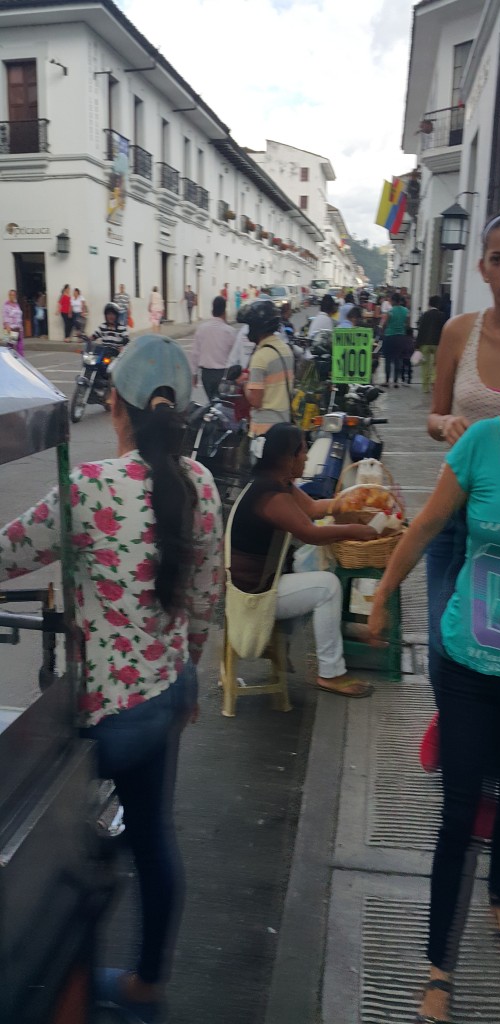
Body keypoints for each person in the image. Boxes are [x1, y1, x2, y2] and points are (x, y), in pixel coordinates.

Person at [0, 333, 222, 1023]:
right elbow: (205, 600)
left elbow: (7, 554)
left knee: (65, 858)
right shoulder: (202, 483)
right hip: (168, 694)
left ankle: (74, 992)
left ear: (116, 410)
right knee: (153, 835)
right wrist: (183, 669)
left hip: (113, 715)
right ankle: (147, 985)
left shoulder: (89, 490)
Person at [368, 295, 500, 1024]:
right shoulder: (482, 444)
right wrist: (382, 595)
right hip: (466, 663)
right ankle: (437, 963)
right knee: (460, 812)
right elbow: (425, 526)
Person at [422, 207, 500, 773]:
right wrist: (445, 426)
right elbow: (435, 414)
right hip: (457, 513)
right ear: (482, 268)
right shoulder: (457, 333)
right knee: (446, 642)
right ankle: (457, 734)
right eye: (498, 259)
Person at [231, 422, 376, 697]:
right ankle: (330, 673)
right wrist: (356, 530)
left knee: (315, 574)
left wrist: (345, 504)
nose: (307, 456)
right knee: (327, 586)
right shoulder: (271, 496)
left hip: (259, 583)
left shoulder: (274, 483)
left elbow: (312, 508)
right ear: (288, 457)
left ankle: (302, 648)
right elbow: (310, 533)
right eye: (303, 451)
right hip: (254, 596)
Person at [240, 300, 294, 443]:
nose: (248, 331)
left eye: (250, 326)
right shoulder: (285, 349)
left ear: (258, 327)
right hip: (284, 426)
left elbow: (256, 401)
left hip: (264, 432)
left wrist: (244, 382)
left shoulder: (260, 357)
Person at [188, 295, 236, 401]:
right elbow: (234, 355)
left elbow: (195, 353)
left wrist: (194, 374)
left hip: (206, 375)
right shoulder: (229, 331)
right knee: (223, 404)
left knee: (211, 402)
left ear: (212, 310)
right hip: (223, 374)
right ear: (224, 311)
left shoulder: (202, 329)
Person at [417, 296, 446, 394]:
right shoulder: (442, 315)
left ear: (429, 304)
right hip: (437, 343)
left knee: (425, 365)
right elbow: (444, 330)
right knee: (436, 364)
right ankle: (434, 382)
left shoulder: (425, 315)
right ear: (438, 304)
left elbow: (420, 330)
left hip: (424, 343)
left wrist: (417, 345)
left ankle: (425, 387)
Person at [381, 293, 409, 387]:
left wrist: (382, 331)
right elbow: (407, 324)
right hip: (401, 337)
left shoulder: (390, 311)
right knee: (398, 359)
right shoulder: (406, 311)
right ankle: (396, 381)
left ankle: (387, 381)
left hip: (390, 336)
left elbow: (385, 324)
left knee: (388, 360)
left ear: (392, 301)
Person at [3, 288, 24, 356]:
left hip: (18, 327)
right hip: (11, 328)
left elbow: (19, 315)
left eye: (14, 295)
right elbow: (5, 316)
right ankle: (9, 360)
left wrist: (21, 327)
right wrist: (7, 326)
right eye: (11, 295)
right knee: (10, 346)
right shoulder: (6, 305)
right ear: (9, 296)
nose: (12, 296)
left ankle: (21, 359)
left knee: (20, 345)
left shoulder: (17, 304)